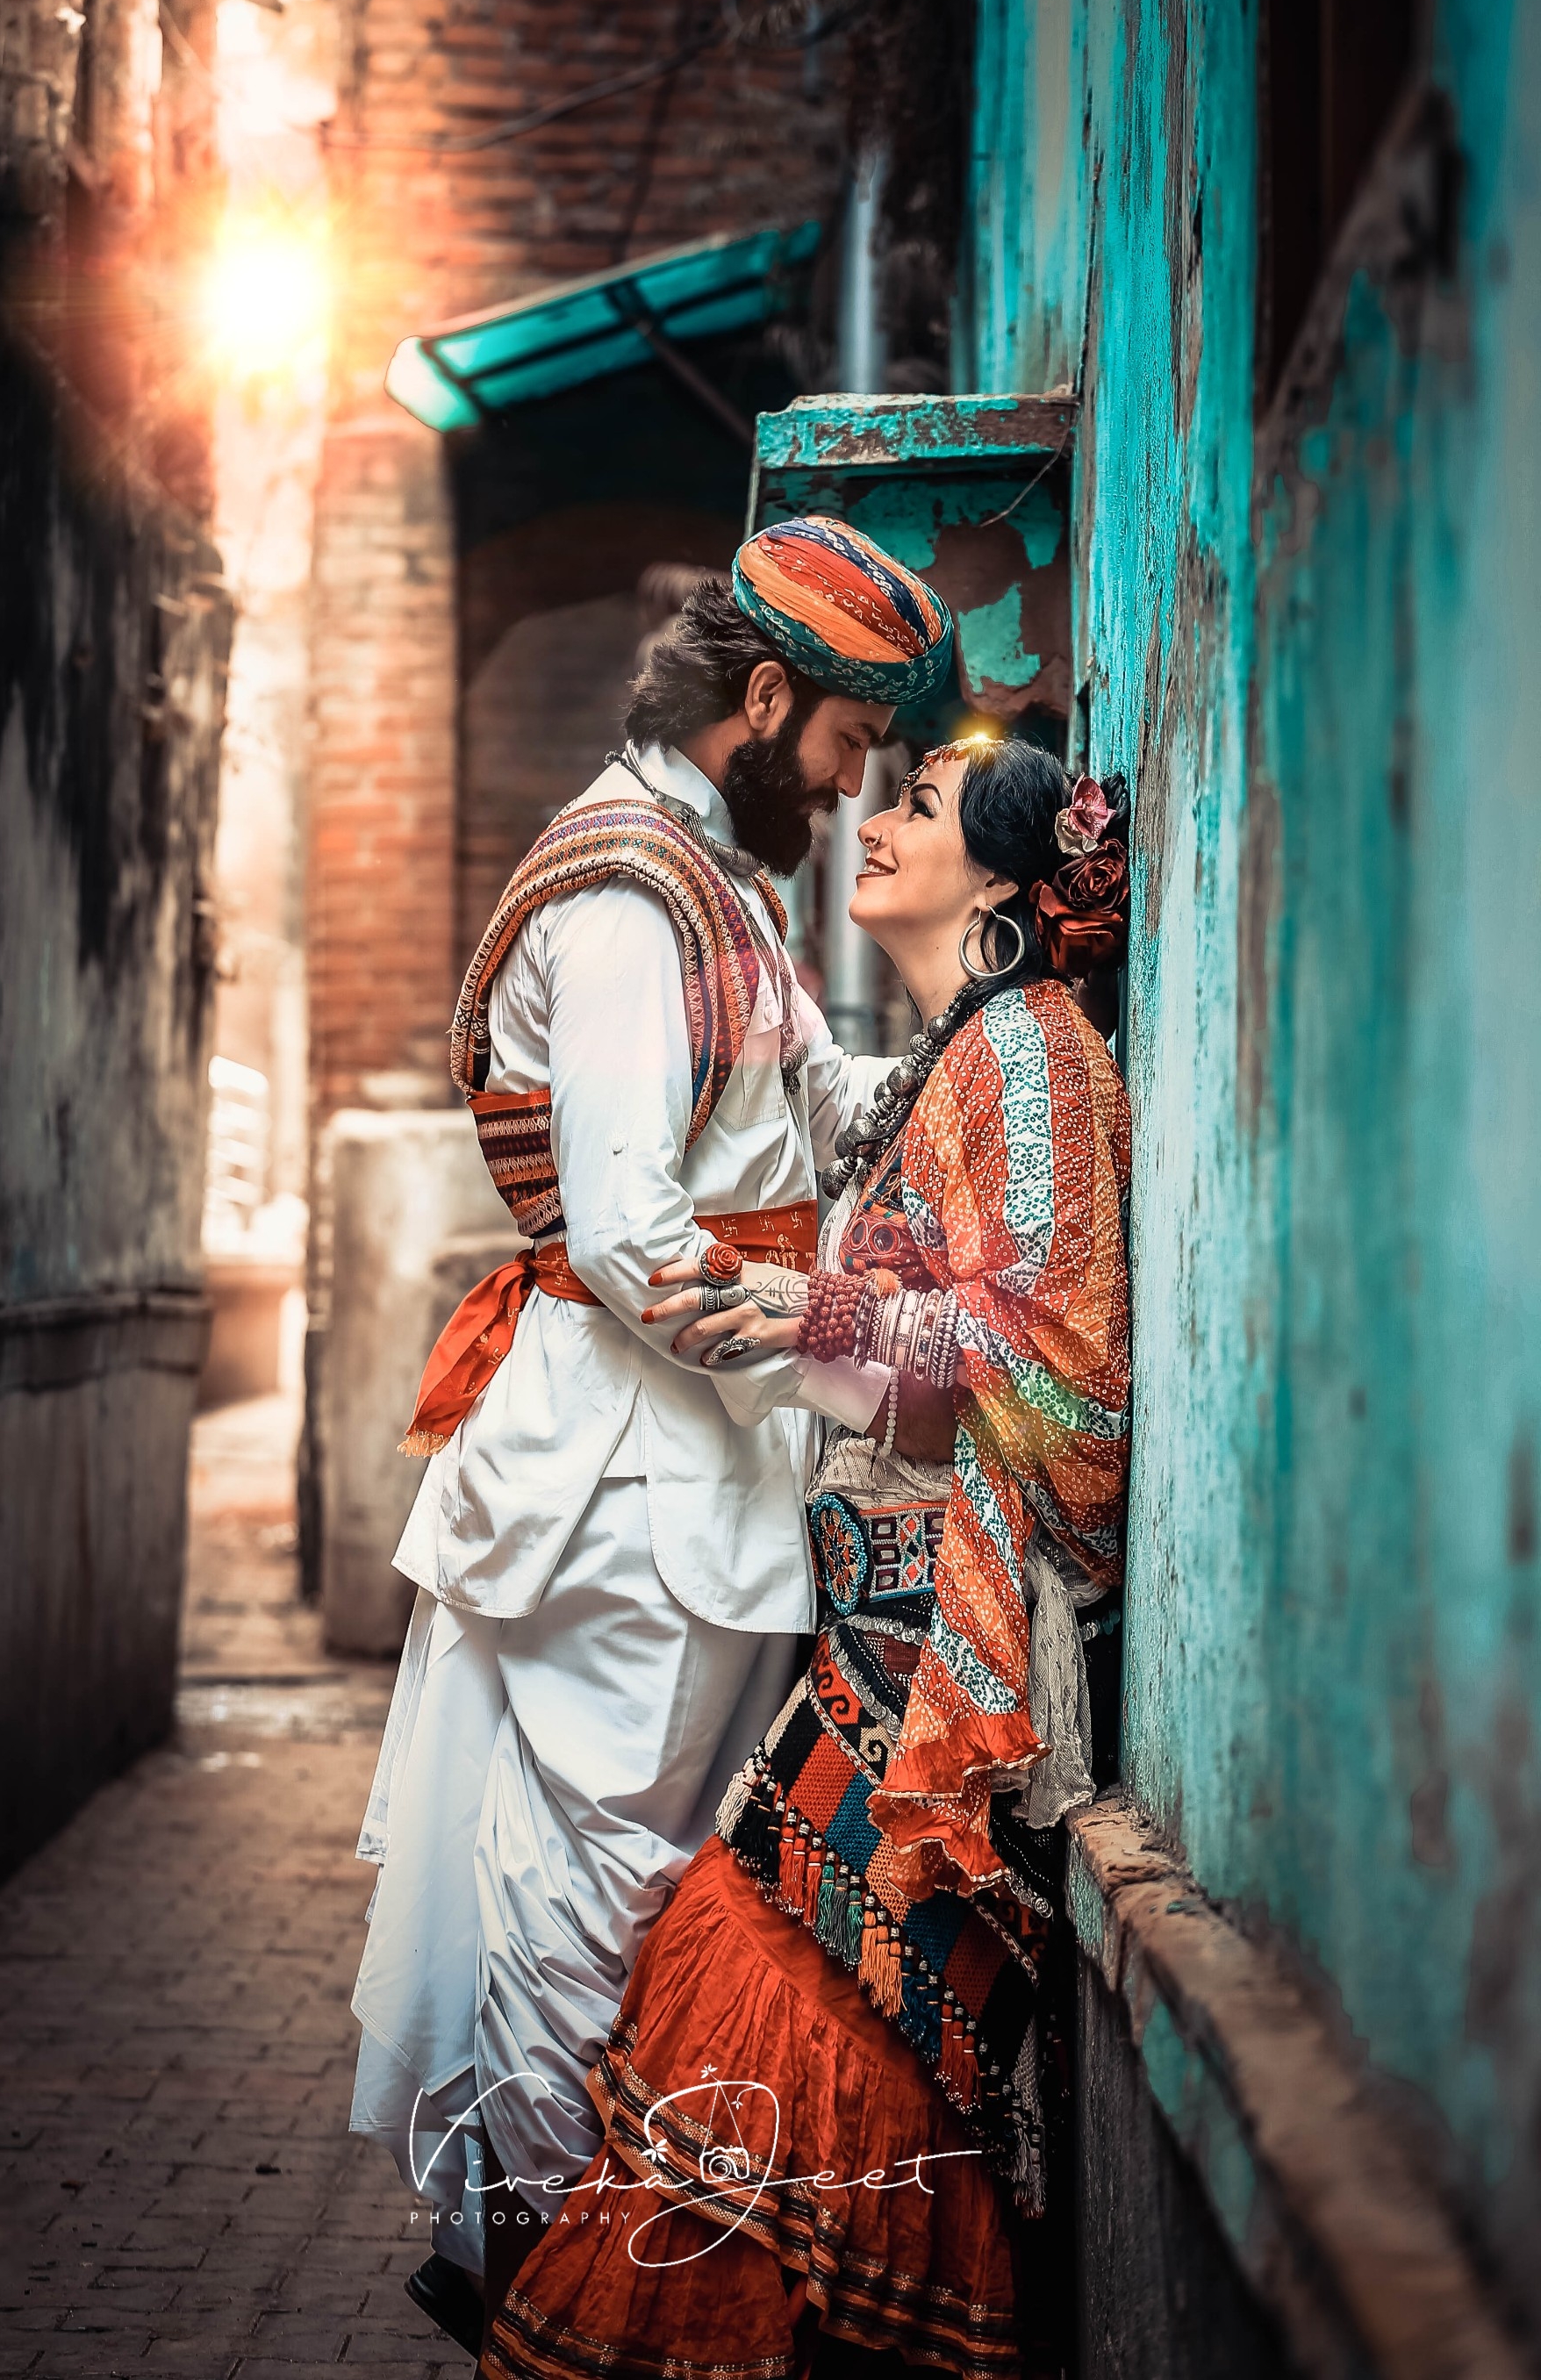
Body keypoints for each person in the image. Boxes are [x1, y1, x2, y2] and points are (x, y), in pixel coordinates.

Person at [348, 519, 956, 2348]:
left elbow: (805, 1107)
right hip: (632, 1478)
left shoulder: (712, 878)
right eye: (847, 742)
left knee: (637, 1881)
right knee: (599, 1891)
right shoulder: (626, 897)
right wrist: (852, 1356)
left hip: (689, 1465)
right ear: (764, 698)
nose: (852, 786)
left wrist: (990, 1044)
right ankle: (546, 2281)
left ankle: (563, 2279)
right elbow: (629, 1238)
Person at [479, 736, 1132, 2379]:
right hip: (870, 1625)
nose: (875, 820)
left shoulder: (1033, 1052)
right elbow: (905, 1342)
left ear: (1003, 881)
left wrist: (806, 1308)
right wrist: (797, 1317)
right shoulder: (955, 1055)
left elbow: (1067, 1376)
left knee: (807, 1992)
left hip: (948, 1651)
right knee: (772, 1971)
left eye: (918, 805)